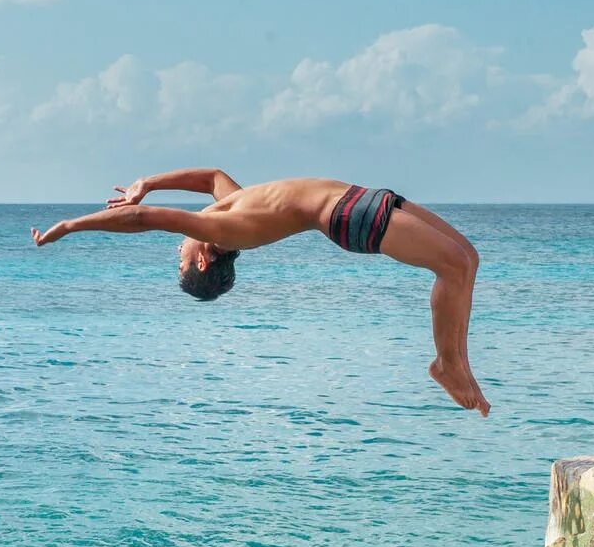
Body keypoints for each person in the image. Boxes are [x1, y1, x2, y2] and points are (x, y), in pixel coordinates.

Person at [31, 168, 489, 416]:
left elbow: (211, 176)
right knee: (450, 269)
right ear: (205, 259)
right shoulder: (222, 227)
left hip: (361, 197)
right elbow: (142, 220)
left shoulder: (228, 205)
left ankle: (459, 365)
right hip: (345, 216)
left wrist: (147, 182)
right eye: (181, 259)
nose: (178, 249)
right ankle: (446, 365)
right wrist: (71, 226)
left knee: (466, 260)